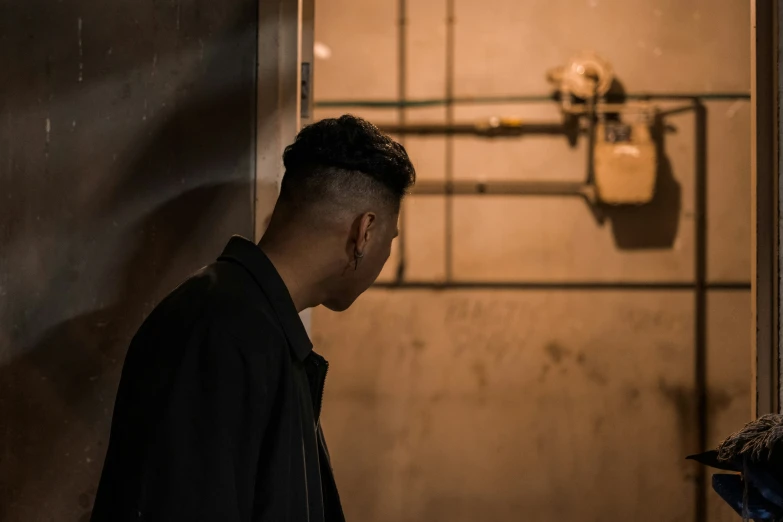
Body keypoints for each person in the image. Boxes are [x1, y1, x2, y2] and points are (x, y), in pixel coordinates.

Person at [90, 115, 416, 522]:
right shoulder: (222, 329)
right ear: (364, 232)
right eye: (391, 238)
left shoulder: (254, 328)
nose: (385, 256)